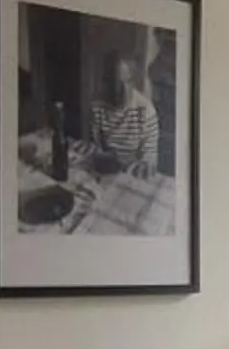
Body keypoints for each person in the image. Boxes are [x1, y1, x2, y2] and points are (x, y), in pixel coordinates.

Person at [61, 51, 161, 232]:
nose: (117, 88)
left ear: (134, 81)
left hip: (131, 187)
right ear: (104, 81)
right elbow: (97, 146)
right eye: (111, 81)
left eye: (125, 81)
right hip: (102, 181)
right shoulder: (98, 106)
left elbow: (149, 164)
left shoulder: (145, 110)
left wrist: (126, 164)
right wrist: (89, 151)